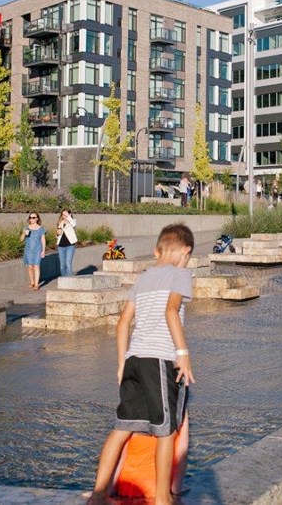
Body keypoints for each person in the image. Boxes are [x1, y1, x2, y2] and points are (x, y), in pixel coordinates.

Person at [89, 224, 195, 505]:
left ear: (156, 250)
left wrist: (122, 362)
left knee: (121, 428)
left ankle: (99, 495)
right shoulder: (181, 274)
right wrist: (182, 353)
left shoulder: (143, 278)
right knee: (166, 431)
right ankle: (162, 498)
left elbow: (123, 322)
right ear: (186, 251)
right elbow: (171, 311)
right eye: (187, 255)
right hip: (160, 359)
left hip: (134, 359)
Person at [21, 213, 46, 290]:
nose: (31, 219)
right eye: (30, 217)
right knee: (30, 267)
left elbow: (43, 240)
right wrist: (24, 233)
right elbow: (21, 240)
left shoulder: (41, 229)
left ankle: (36, 284)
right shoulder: (26, 228)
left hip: (38, 249)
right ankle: (32, 282)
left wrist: (43, 251)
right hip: (28, 250)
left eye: (33, 217)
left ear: (37, 219)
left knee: (36, 266)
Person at [56, 208, 78, 277]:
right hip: (60, 246)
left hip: (70, 245)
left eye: (65, 214)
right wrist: (57, 234)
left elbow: (74, 224)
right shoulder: (60, 223)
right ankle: (64, 280)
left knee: (68, 263)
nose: (64, 216)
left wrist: (68, 216)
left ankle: (70, 280)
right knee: (62, 265)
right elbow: (58, 235)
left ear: (69, 214)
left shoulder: (72, 221)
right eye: (63, 214)